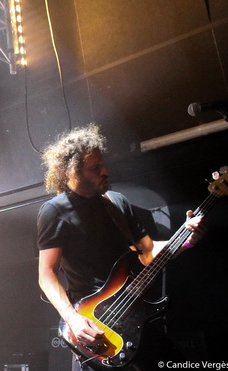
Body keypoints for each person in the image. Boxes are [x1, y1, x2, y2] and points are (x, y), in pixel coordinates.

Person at [36, 124, 206, 370]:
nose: (105, 171)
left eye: (103, 165)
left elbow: (148, 253)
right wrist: (73, 320)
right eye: (95, 168)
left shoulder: (116, 202)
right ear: (73, 171)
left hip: (133, 312)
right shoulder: (54, 211)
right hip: (94, 323)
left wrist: (187, 239)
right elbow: (46, 274)